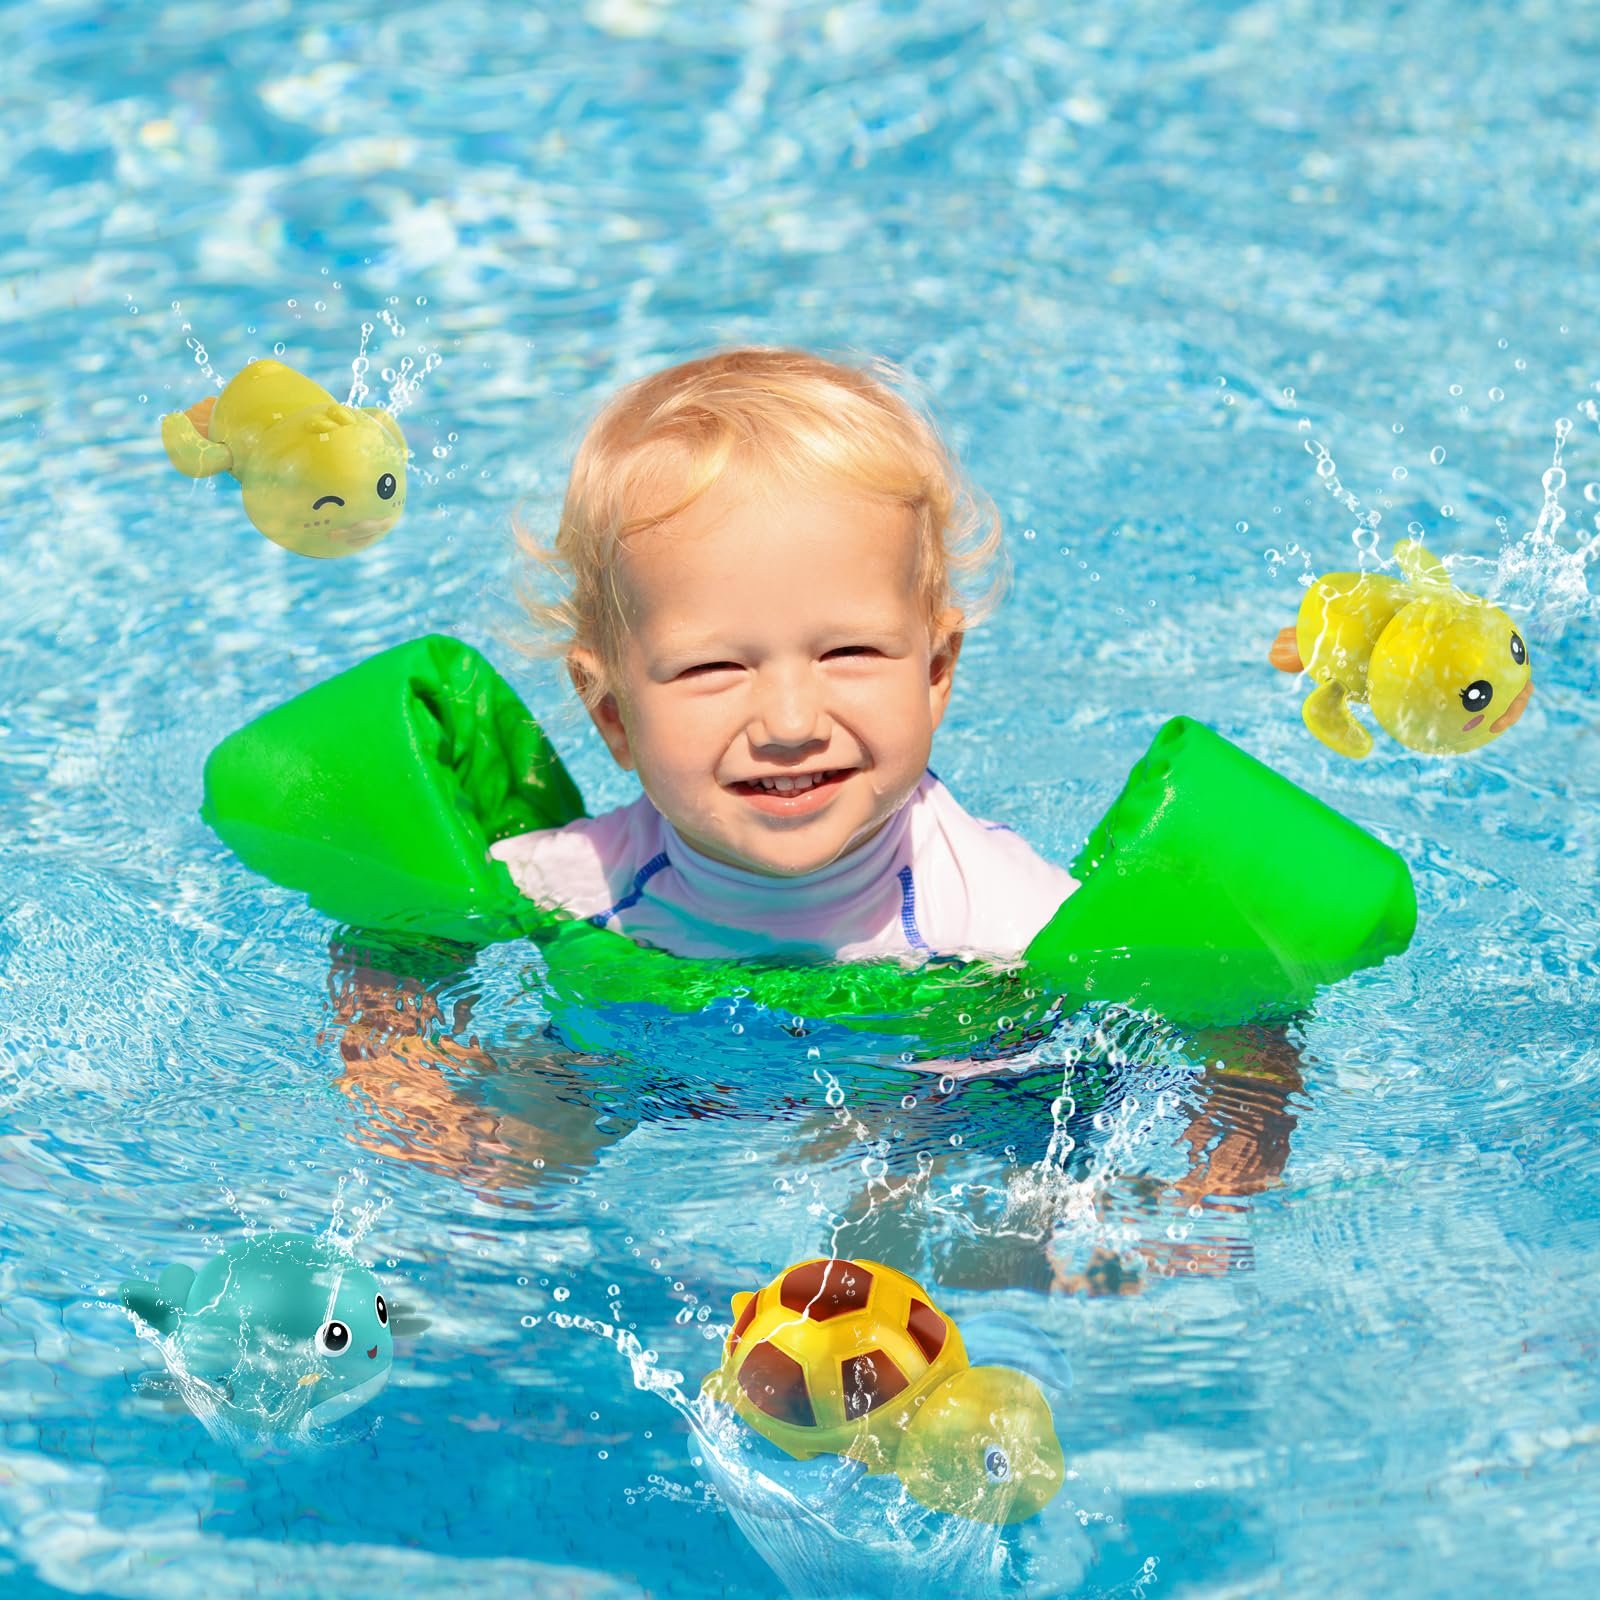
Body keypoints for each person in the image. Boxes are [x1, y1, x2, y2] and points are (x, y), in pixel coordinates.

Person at [492, 347, 1077, 962]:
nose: (792, 725)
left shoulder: (1021, 927)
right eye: (712, 667)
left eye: (849, 651)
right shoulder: (548, 894)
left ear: (935, 673)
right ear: (612, 712)